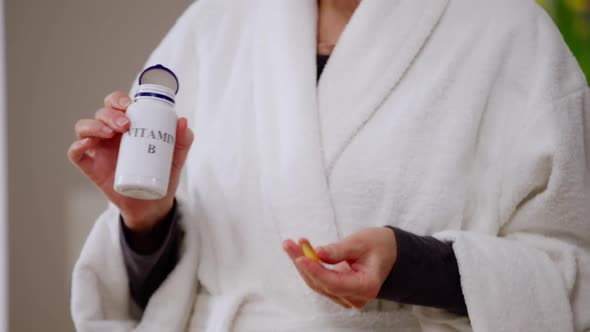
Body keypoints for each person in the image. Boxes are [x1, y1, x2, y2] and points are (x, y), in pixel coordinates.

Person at [68, 0, 590, 331]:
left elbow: (570, 273)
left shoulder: (510, 29)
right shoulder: (215, 24)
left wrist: (411, 265)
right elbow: (152, 296)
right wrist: (146, 220)